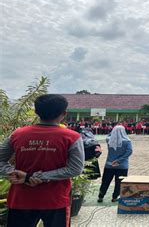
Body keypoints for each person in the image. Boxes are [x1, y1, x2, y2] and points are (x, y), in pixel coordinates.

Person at [0, 94, 85, 227]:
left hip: (21, 199)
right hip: (55, 200)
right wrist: (41, 176)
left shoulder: (18, 134)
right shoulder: (72, 137)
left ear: (36, 112)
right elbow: (75, 169)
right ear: (64, 113)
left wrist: (15, 173)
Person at [98, 125, 133, 203]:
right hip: (122, 166)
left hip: (109, 165)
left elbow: (108, 135)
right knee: (119, 182)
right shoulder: (127, 141)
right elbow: (129, 151)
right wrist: (119, 160)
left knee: (105, 181)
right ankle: (115, 197)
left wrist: (113, 131)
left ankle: (101, 196)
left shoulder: (109, 140)